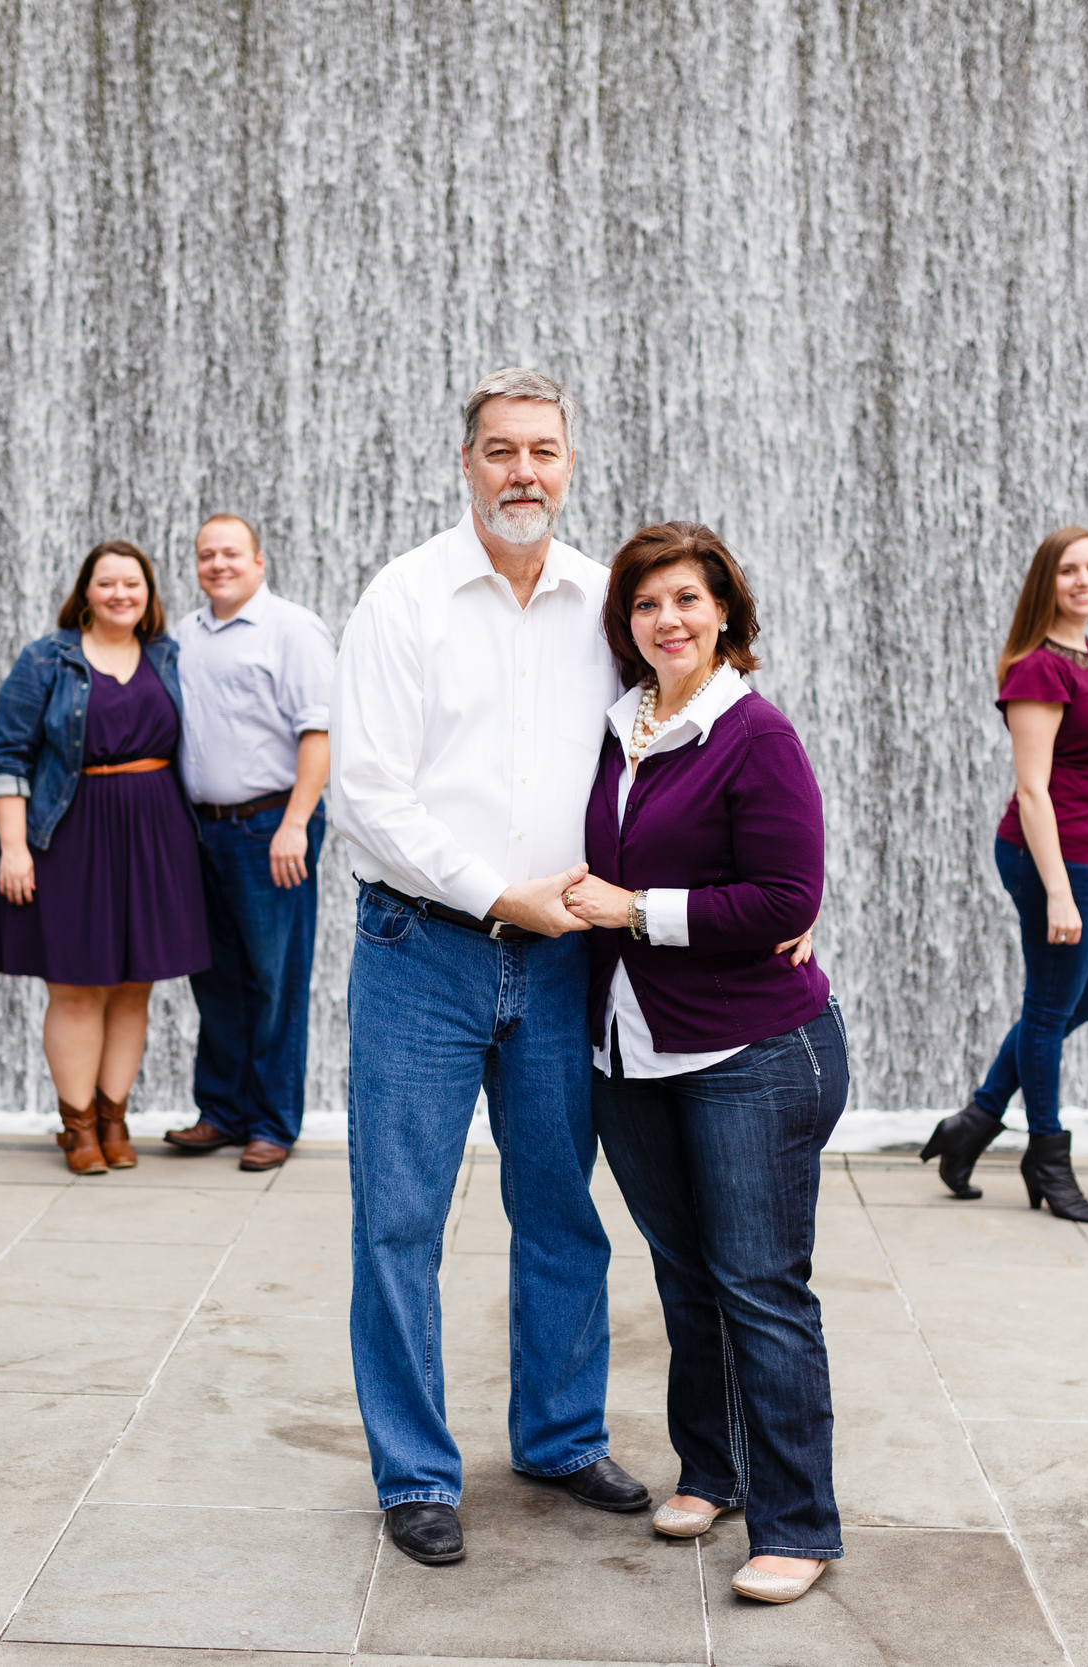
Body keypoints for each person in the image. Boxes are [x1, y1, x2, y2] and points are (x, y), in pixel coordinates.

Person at [329, 367, 648, 1569]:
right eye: (502, 450)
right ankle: (414, 1470)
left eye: (545, 451)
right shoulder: (404, 598)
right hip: (426, 948)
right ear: (466, 461)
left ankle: (561, 1436)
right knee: (399, 1218)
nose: (525, 471)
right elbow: (366, 794)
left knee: (562, 1206)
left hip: (566, 959)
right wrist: (494, 890)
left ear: (570, 463)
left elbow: (671, 741)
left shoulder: (610, 601)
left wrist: (761, 883)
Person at [557, 522, 846, 1606]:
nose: (667, 620)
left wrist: (639, 910)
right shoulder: (614, 728)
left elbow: (786, 899)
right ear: (625, 626)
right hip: (632, 1045)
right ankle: (713, 1469)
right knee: (685, 1277)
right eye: (645, 605)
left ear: (725, 609)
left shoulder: (753, 731)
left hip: (751, 1049)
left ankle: (799, 1521)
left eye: (686, 599)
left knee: (760, 1289)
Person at [922, 528, 1088, 1221]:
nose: (1084, 579)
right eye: (1069, 569)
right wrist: (1059, 890)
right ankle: (1046, 1155)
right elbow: (1033, 788)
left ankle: (974, 1122)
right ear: (1047, 580)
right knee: (1049, 1011)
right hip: (1058, 856)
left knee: (1077, 1006)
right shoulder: (1039, 667)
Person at [0, 540, 209, 1175]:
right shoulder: (45, 660)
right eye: (106, 583)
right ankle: (78, 1126)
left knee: (135, 987)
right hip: (69, 834)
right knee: (77, 987)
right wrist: (13, 847)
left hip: (157, 833)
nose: (120, 594)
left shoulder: (169, 655)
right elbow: (7, 758)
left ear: (149, 595)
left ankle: (115, 1120)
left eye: (131, 585)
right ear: (85, 591)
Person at [165, 514, 337, 1172]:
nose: (218, 564)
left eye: (231, 553)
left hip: (272, 826)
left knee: (274, 977)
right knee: (212, 976)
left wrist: (296, 821)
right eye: (206, 554)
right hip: (200, 827)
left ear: (258, 561)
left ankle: (272, 1121)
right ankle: (221, 1111)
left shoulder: (292, 629)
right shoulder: (183, 635)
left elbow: (318, 732)